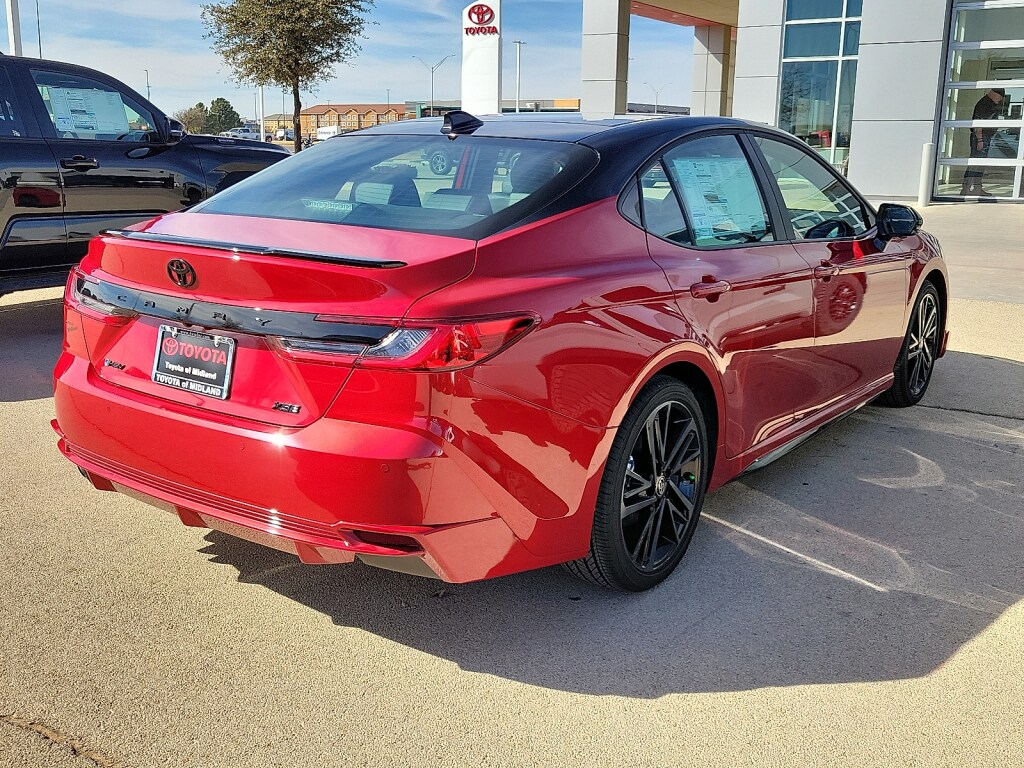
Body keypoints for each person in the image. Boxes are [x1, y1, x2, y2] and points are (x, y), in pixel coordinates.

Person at [960, 88, 1006, 196]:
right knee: (976, 164)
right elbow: (978, 124)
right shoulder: (984, 104)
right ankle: (966, 189)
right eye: (1000, 97)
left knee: (978, 164)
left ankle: (975, 188)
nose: (1000, 100)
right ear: (994, 94)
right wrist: (980, 140)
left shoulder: (988, 103)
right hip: (980, 137)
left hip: (983, 137)